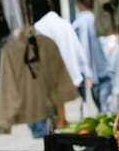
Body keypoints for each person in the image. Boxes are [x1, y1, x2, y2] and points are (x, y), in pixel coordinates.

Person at [31, 10, 88, 138]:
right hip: (65, 65)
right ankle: (59, 122)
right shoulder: (65, 25)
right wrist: (81, 69)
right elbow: (76, 47)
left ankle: (56, 124)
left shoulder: (39, 26)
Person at [72, 0, 113, 114]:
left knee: (102, 111)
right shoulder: (98, 19)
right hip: (106, 70)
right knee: (105, 110)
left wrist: (86, 73)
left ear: (78, 3)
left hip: (93, 74)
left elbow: (82, 49)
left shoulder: (79, 23)